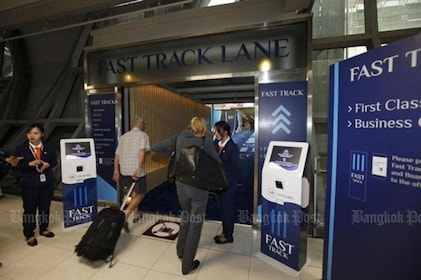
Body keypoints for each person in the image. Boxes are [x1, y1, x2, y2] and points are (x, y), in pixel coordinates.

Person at [152, 116, 221, 275]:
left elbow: (156, 147)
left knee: (186, 216)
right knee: (195, 224)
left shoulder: (180, 137)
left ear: (190, 126)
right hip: (198, 187)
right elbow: (217, 162)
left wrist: (173, 156)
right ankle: (187, 265)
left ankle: (181, 250)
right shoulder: (206, 140)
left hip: (181, 185)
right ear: (203, 127)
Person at [14, 123, 57, 246]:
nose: (32, 135)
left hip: (46, 183)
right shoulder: (20, 149)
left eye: (35, 133)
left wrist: (48, 164)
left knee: (45, 207)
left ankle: (44, 228)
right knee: (29, 209)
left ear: (42, 134)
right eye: (30, 133)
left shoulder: (49, 148)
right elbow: (15, 166)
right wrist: (29, 164)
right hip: (29, 183)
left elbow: (54, 161)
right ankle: (29, 233)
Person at [112, 116, 150, 232]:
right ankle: (126, 214)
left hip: (124, 170)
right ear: (140, 124)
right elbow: (142, 151)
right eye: (143, 124)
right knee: (141, 193)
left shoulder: (123, 137)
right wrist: (139, 168)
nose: (144, 126)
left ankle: (136, 214)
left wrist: (116, 170)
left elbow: (117, 155)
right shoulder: (143, 135)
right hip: (136, 170)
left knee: (133, 192)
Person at [212, 120, 240, 244]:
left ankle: (229, 236)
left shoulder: (233, 148)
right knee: (222, 209)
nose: (216, 133)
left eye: (218, 130)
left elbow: (234, 168)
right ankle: (225, 231)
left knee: (228, 210)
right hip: (217, 183)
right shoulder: (214, 144)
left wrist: (218, 163)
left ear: (225, 132)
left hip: (228, 184)